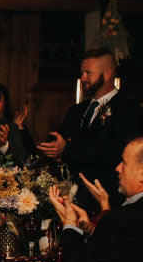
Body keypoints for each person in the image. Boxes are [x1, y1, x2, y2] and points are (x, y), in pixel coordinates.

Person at [38, 48, 143, 214]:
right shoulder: (76, 111)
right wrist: (58, 157)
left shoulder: (128, 110)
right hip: (71, 201)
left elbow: (115, 154)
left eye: (88, 73)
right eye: (82, 73)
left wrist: (68, 150)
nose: (82, 78)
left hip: (105, 203)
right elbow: (63, 149)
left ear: (107, 75)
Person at [49, 136, 143, 262]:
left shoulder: (124, 219)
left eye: (124, 163)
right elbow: (118, 253)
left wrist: (69, 224)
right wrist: (93, 232)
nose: (118, 168)